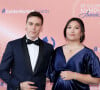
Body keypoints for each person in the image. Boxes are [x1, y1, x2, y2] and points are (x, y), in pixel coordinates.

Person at [0, 11, 54, 90]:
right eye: (31, 24)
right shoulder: (13, 45)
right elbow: (2, 71)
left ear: (41, 28)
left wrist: (50, 77)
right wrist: (19, 85)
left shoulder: (48, 48)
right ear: (26, 25)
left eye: (37, 25)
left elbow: (52, 70)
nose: (33, 28)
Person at [47, 17, 100, 90]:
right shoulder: (57, 51)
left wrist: (75, 75)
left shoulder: (88, 53)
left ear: (81, 33)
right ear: (65, 31)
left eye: (76, 28)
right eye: (69, 27)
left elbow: (96, 80)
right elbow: (49, 76)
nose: (72, 30)